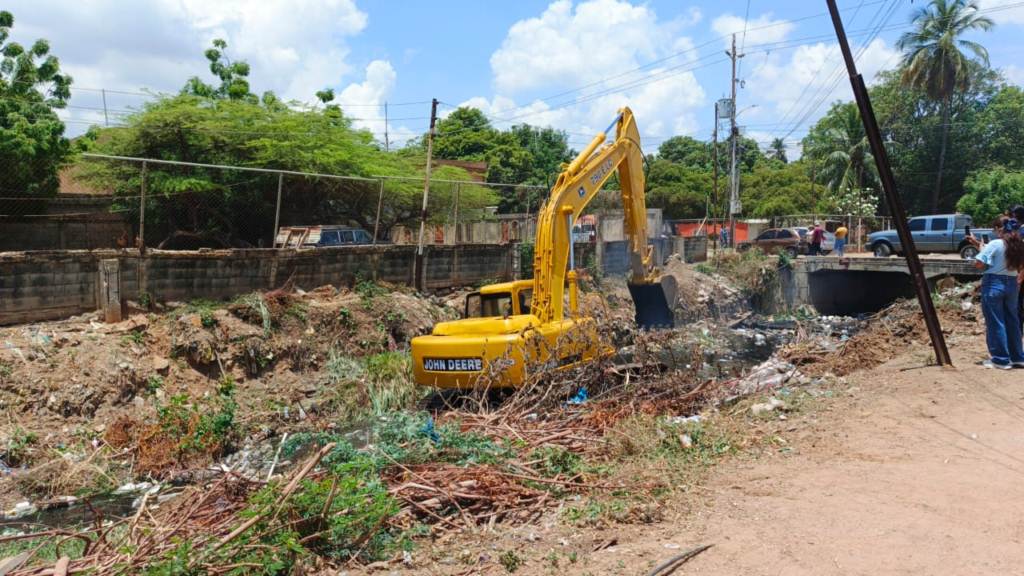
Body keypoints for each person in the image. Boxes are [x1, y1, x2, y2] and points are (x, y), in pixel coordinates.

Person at [973, 215, 1024, 369]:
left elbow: (979, 264)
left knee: (996, 321)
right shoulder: (1020, 245)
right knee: (1012, 321)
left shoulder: (995, 243)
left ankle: (1001, 359)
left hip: (994, 283)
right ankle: (1017, 357)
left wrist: (982, 249)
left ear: (999, 230)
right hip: (1012, 284)